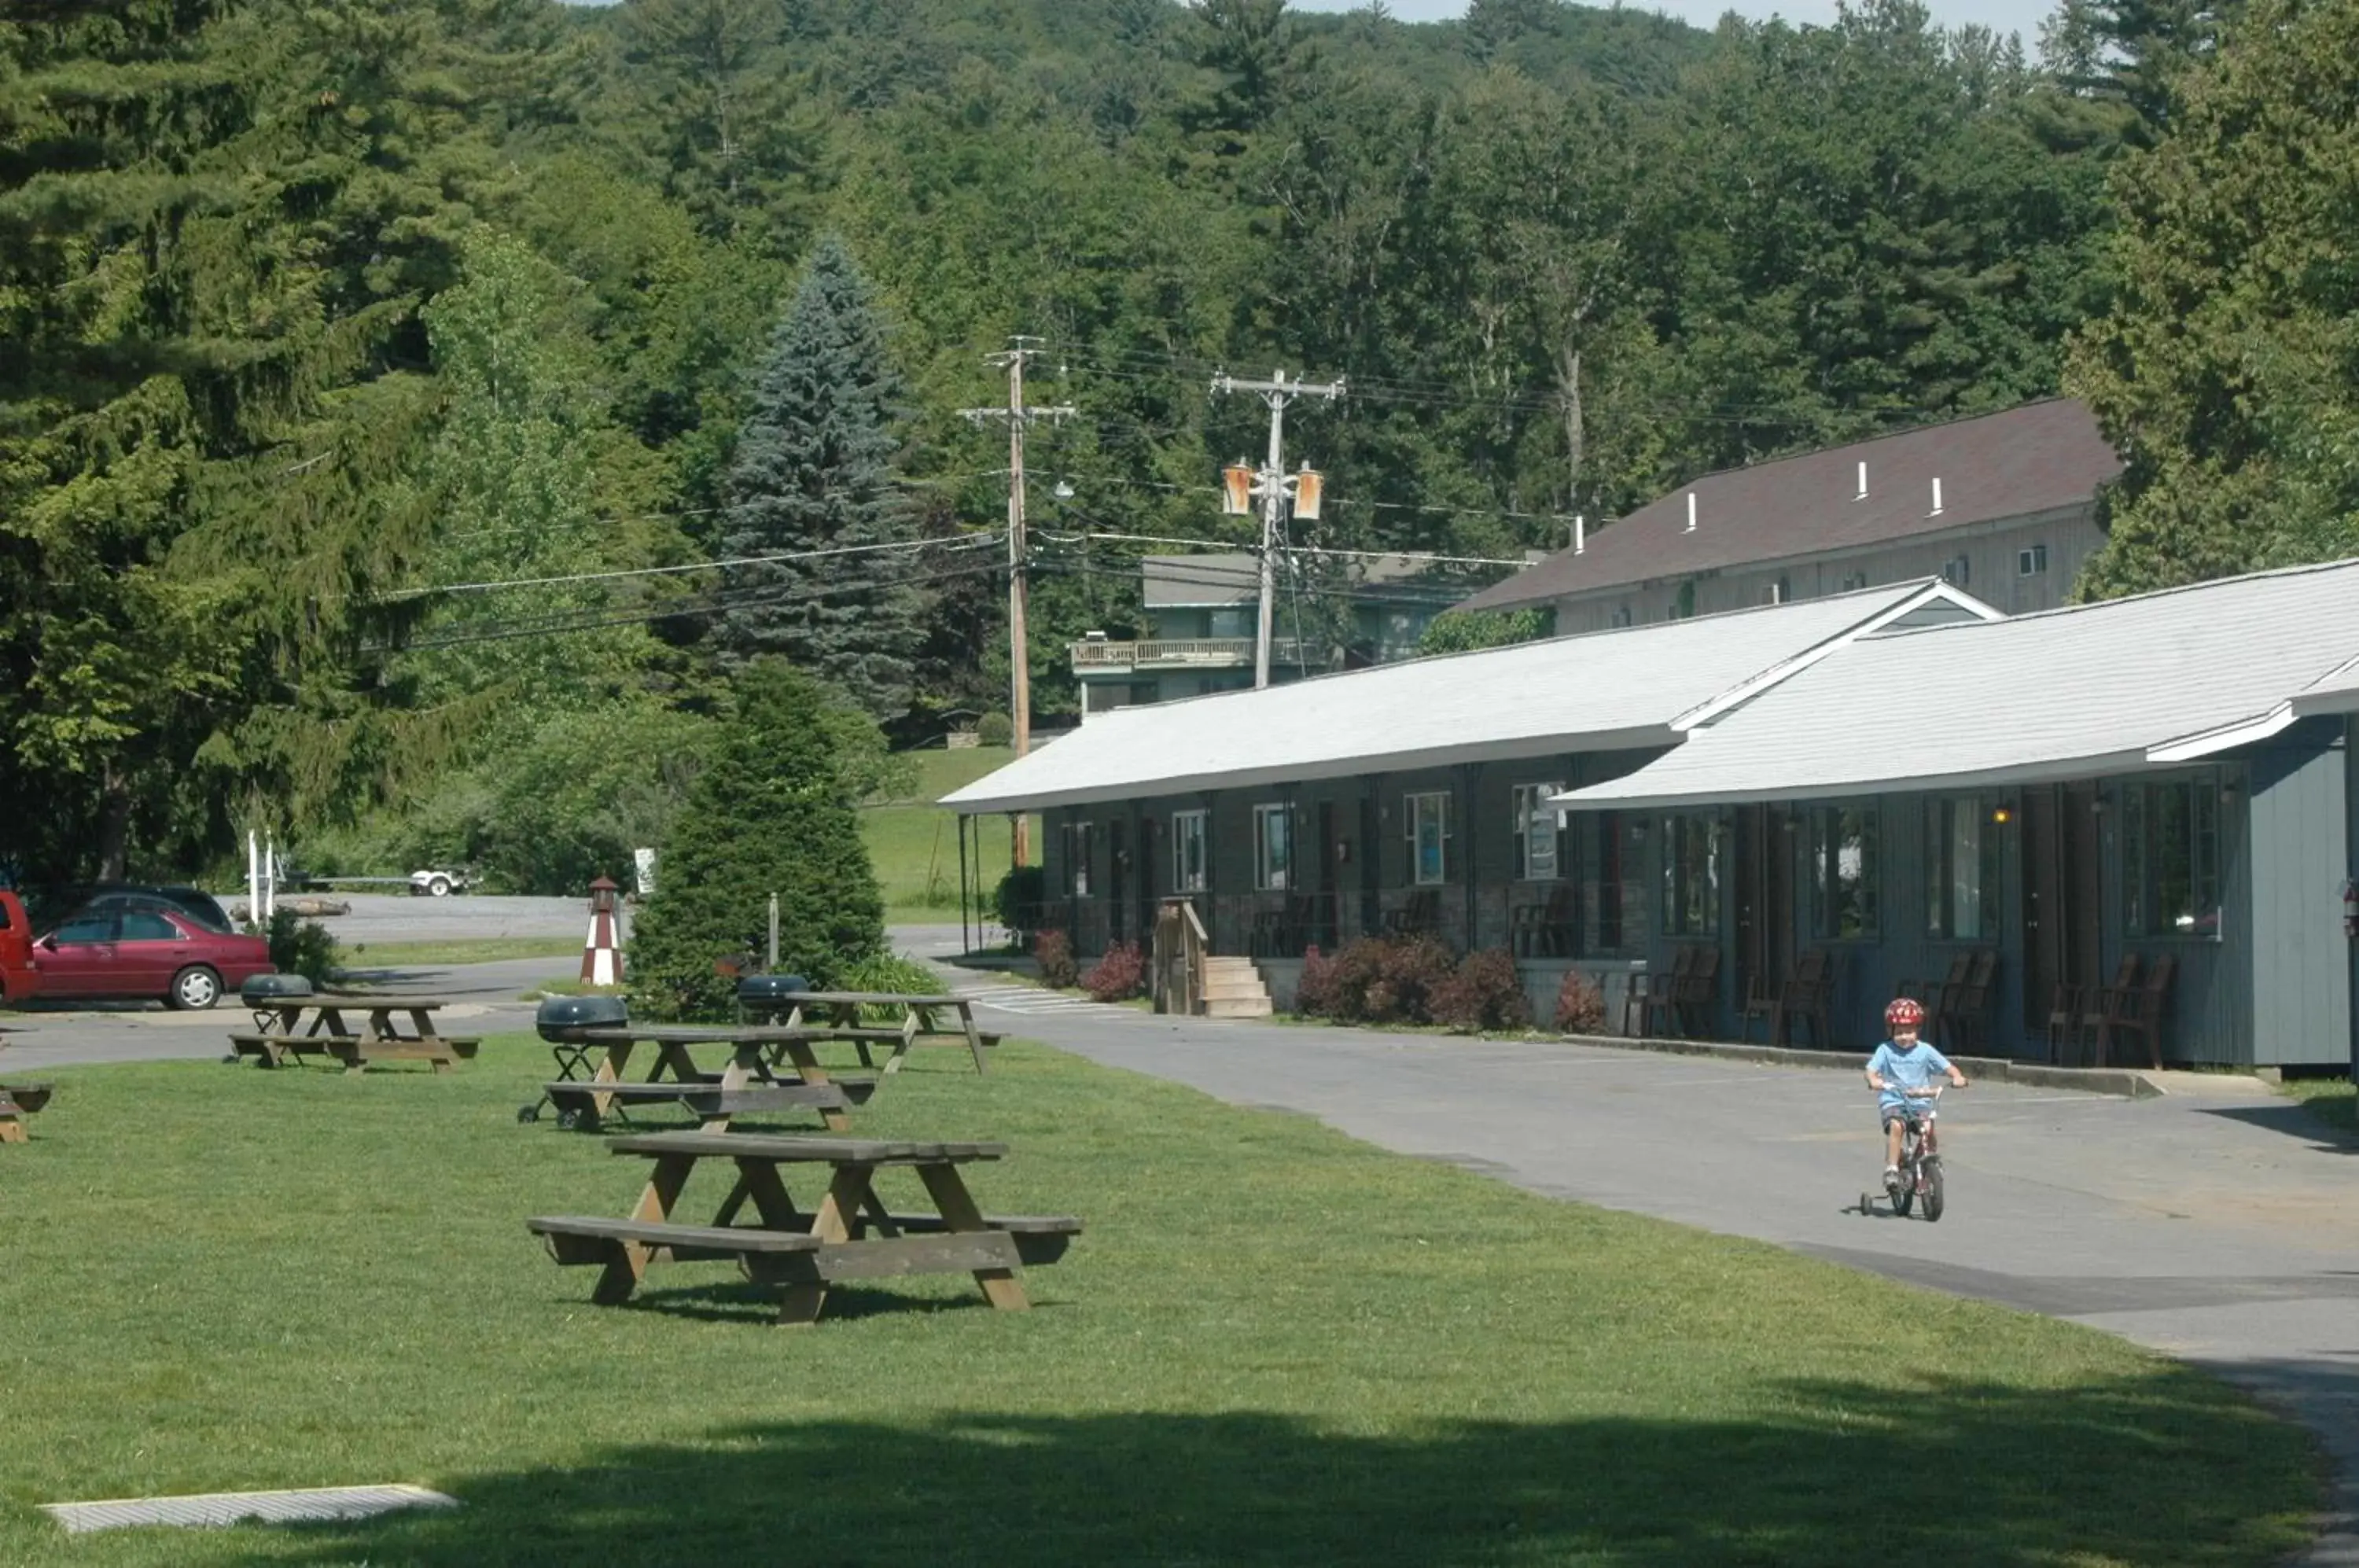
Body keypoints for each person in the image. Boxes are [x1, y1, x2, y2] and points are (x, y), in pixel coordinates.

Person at [1865, 996, 1967, 1192]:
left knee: (1928, 1129)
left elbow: (1948, 1067)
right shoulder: (1885, 1051)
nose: (1906, 1037)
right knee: (1897, 1126)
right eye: (1901, 1032)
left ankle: (1925, 1163)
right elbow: (1871, 1070)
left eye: (1910, 1031)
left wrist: (1957, 1077)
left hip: (1920, 1101)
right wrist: (1874, 1080)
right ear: (1890, 1031)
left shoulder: (1925, 1051)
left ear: (1918, 1030)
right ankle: (1892, 1169)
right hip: (1893, 1099)